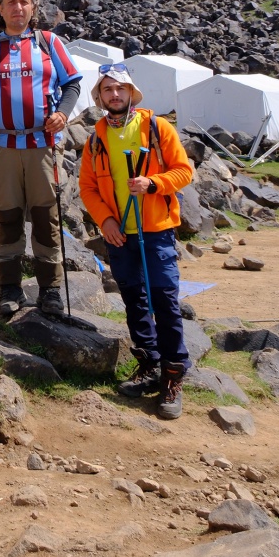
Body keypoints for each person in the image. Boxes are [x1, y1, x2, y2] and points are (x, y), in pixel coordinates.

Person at [0, 0, 85, 319]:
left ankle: (51, 290)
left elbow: (72, 82)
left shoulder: (49, 43)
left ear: (33, 8)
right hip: (0, 145)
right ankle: (10, 288)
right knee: (8, 215)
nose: (18, 7)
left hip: (42, 144)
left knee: (47, 216)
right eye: (11, 2)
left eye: (24, 2)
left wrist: (62, 113)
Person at [76, 64, 196, 419]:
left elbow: (184, 170)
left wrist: (153, 184)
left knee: (165, 299)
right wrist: (106, 220)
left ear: (131, 93)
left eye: (121, 88)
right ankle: (149, 364)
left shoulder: (158, 128)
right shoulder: (95, 138)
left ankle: (174, 376)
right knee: (134, 300)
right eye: (108, 90)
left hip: (156, 229)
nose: (115, 95)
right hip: (119, 233)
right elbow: (88, 188)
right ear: (99, 98)